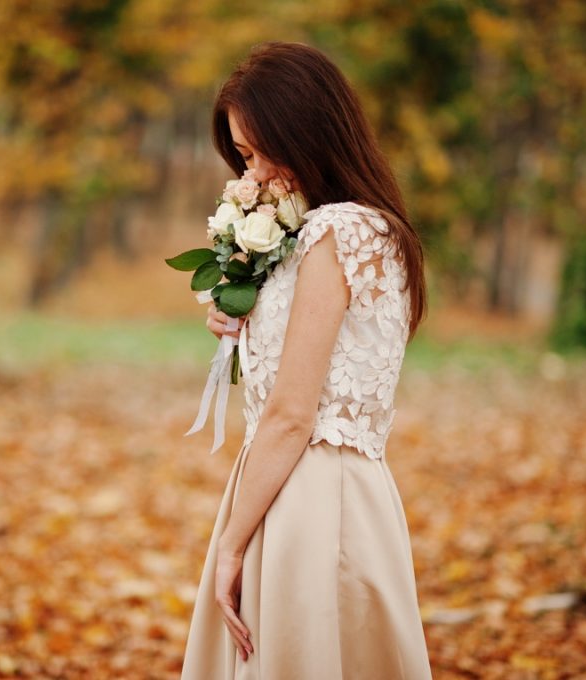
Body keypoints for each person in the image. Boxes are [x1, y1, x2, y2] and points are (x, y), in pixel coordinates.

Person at [179, 42, 433, 679]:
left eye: (265, 151)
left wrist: (230, 545)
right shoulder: (370, 230)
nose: (256, 175)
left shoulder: (336, 231)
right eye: (244, 157)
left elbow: (294, 412)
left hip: (313, 495)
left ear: (311, 133)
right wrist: (242, 317)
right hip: (311, 485)